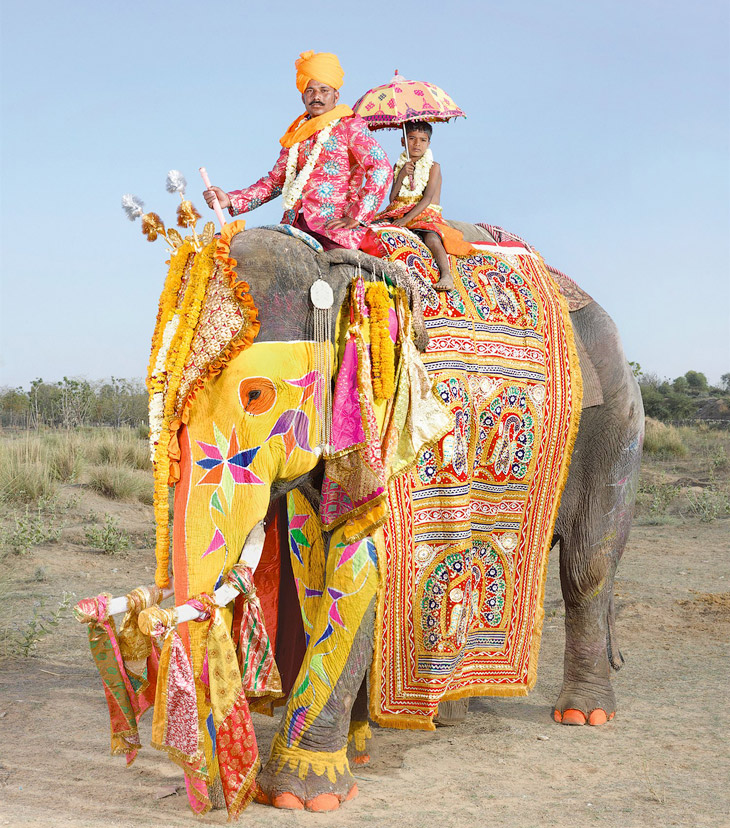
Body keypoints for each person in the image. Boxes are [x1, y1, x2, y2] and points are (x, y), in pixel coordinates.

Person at [203, 51, 392, 251]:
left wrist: (357, 215)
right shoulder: (296, 134)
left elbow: (381, 168)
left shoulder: (349, 126)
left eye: (323, 90)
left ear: (336, 96)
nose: (316, 96)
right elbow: (276, 181)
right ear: (303, 96)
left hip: (333, 228)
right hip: (294, 226)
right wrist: (231, 199)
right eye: (310, 90)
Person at [374, 121, 474, 290]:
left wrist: (406, 220)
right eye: (411, 138)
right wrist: (402, 176)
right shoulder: (400, 166)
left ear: (428, 143)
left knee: (432, 238)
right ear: (403, 141)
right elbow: (392, 198)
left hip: (425, 212)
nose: (416, 144)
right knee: (374, 227)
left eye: (422, 140)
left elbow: (427, 198)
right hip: (400, 209)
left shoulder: (434, 167)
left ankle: (446, 275)